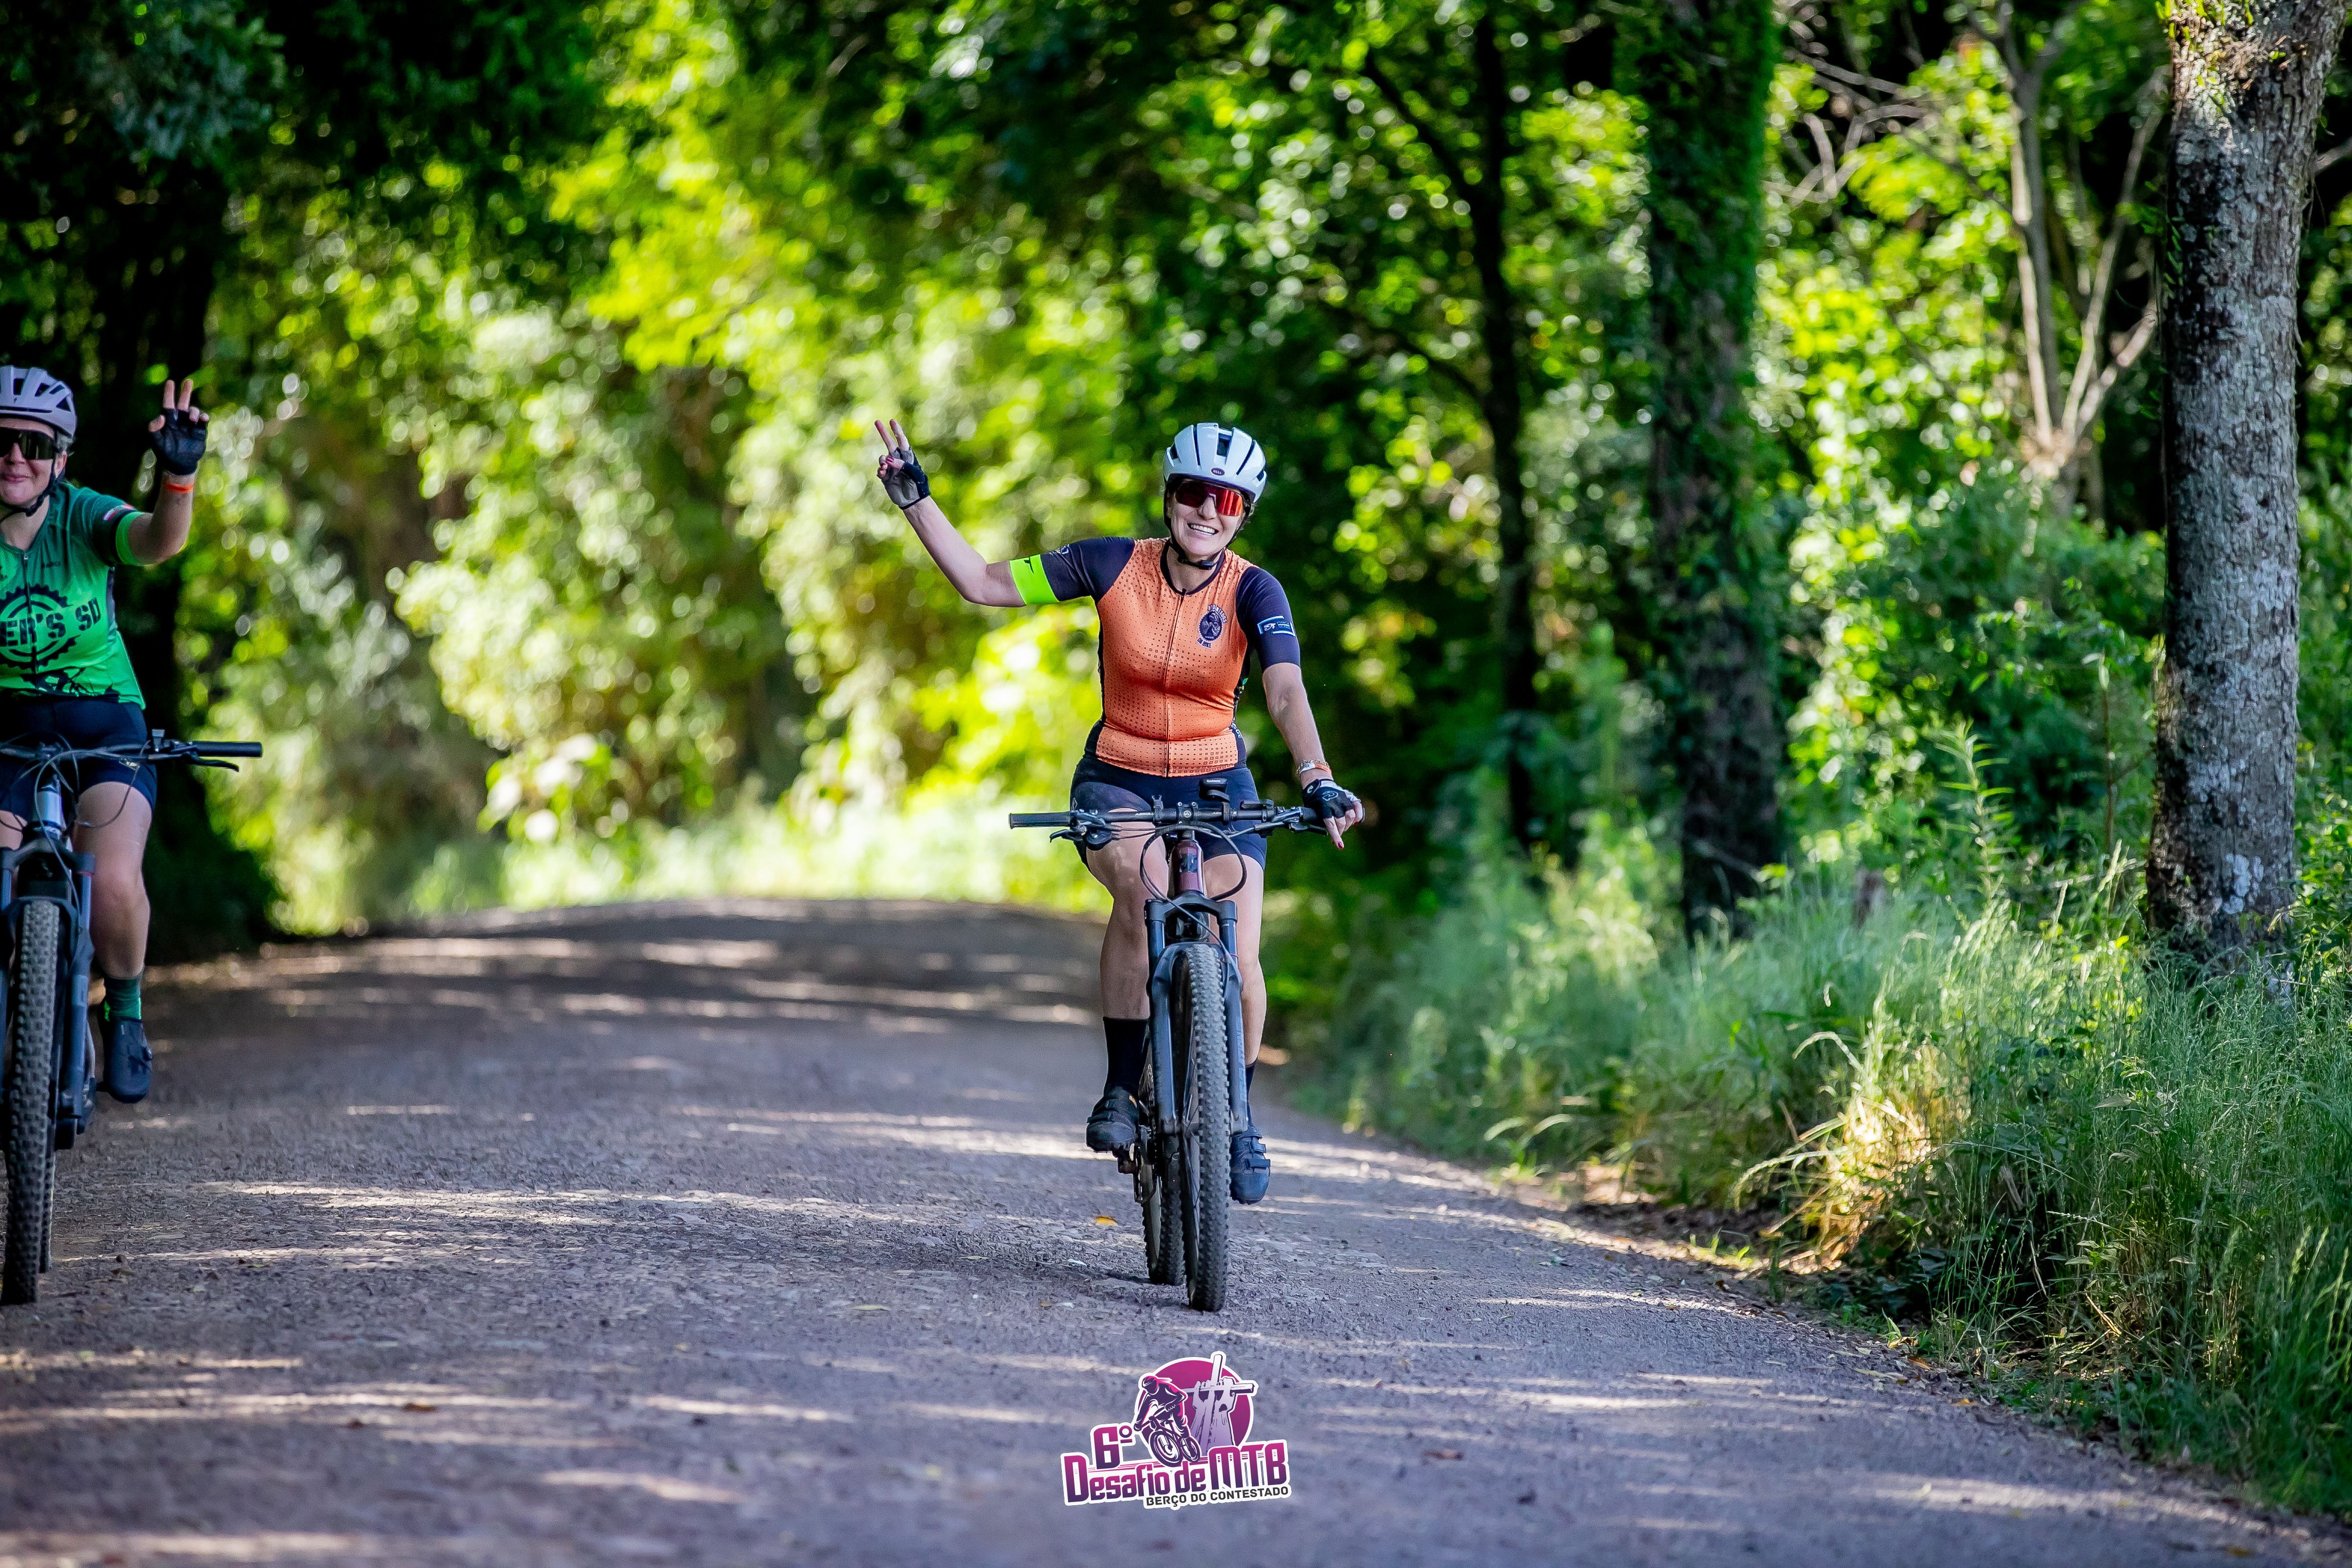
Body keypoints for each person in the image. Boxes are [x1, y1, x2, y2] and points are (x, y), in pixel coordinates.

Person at [875, 417, 1363, 1204]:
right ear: (1169, 496)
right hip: (1119, 779)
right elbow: (985, 584)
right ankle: (1118, 1088)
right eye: (1195, 492)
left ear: (1245, 513)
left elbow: (1284, 690)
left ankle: (1238, 1119)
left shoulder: (1255, 590)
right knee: (1143, 893)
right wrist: (916, 502)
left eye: (1228, 501)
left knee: (1239, 946)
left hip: (1217, 786)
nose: (1208, 511)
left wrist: (1317, 776)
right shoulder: (1110, 564)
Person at [0, 366, 210, 1105]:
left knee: (113, 883)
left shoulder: (84, 516)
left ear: (60, 458)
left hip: (105, 722)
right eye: (2, 442)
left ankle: (123, 1012)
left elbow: (156, 541)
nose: (16, 457)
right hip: (8, 731)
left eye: (35, 445)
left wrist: (177, 478)